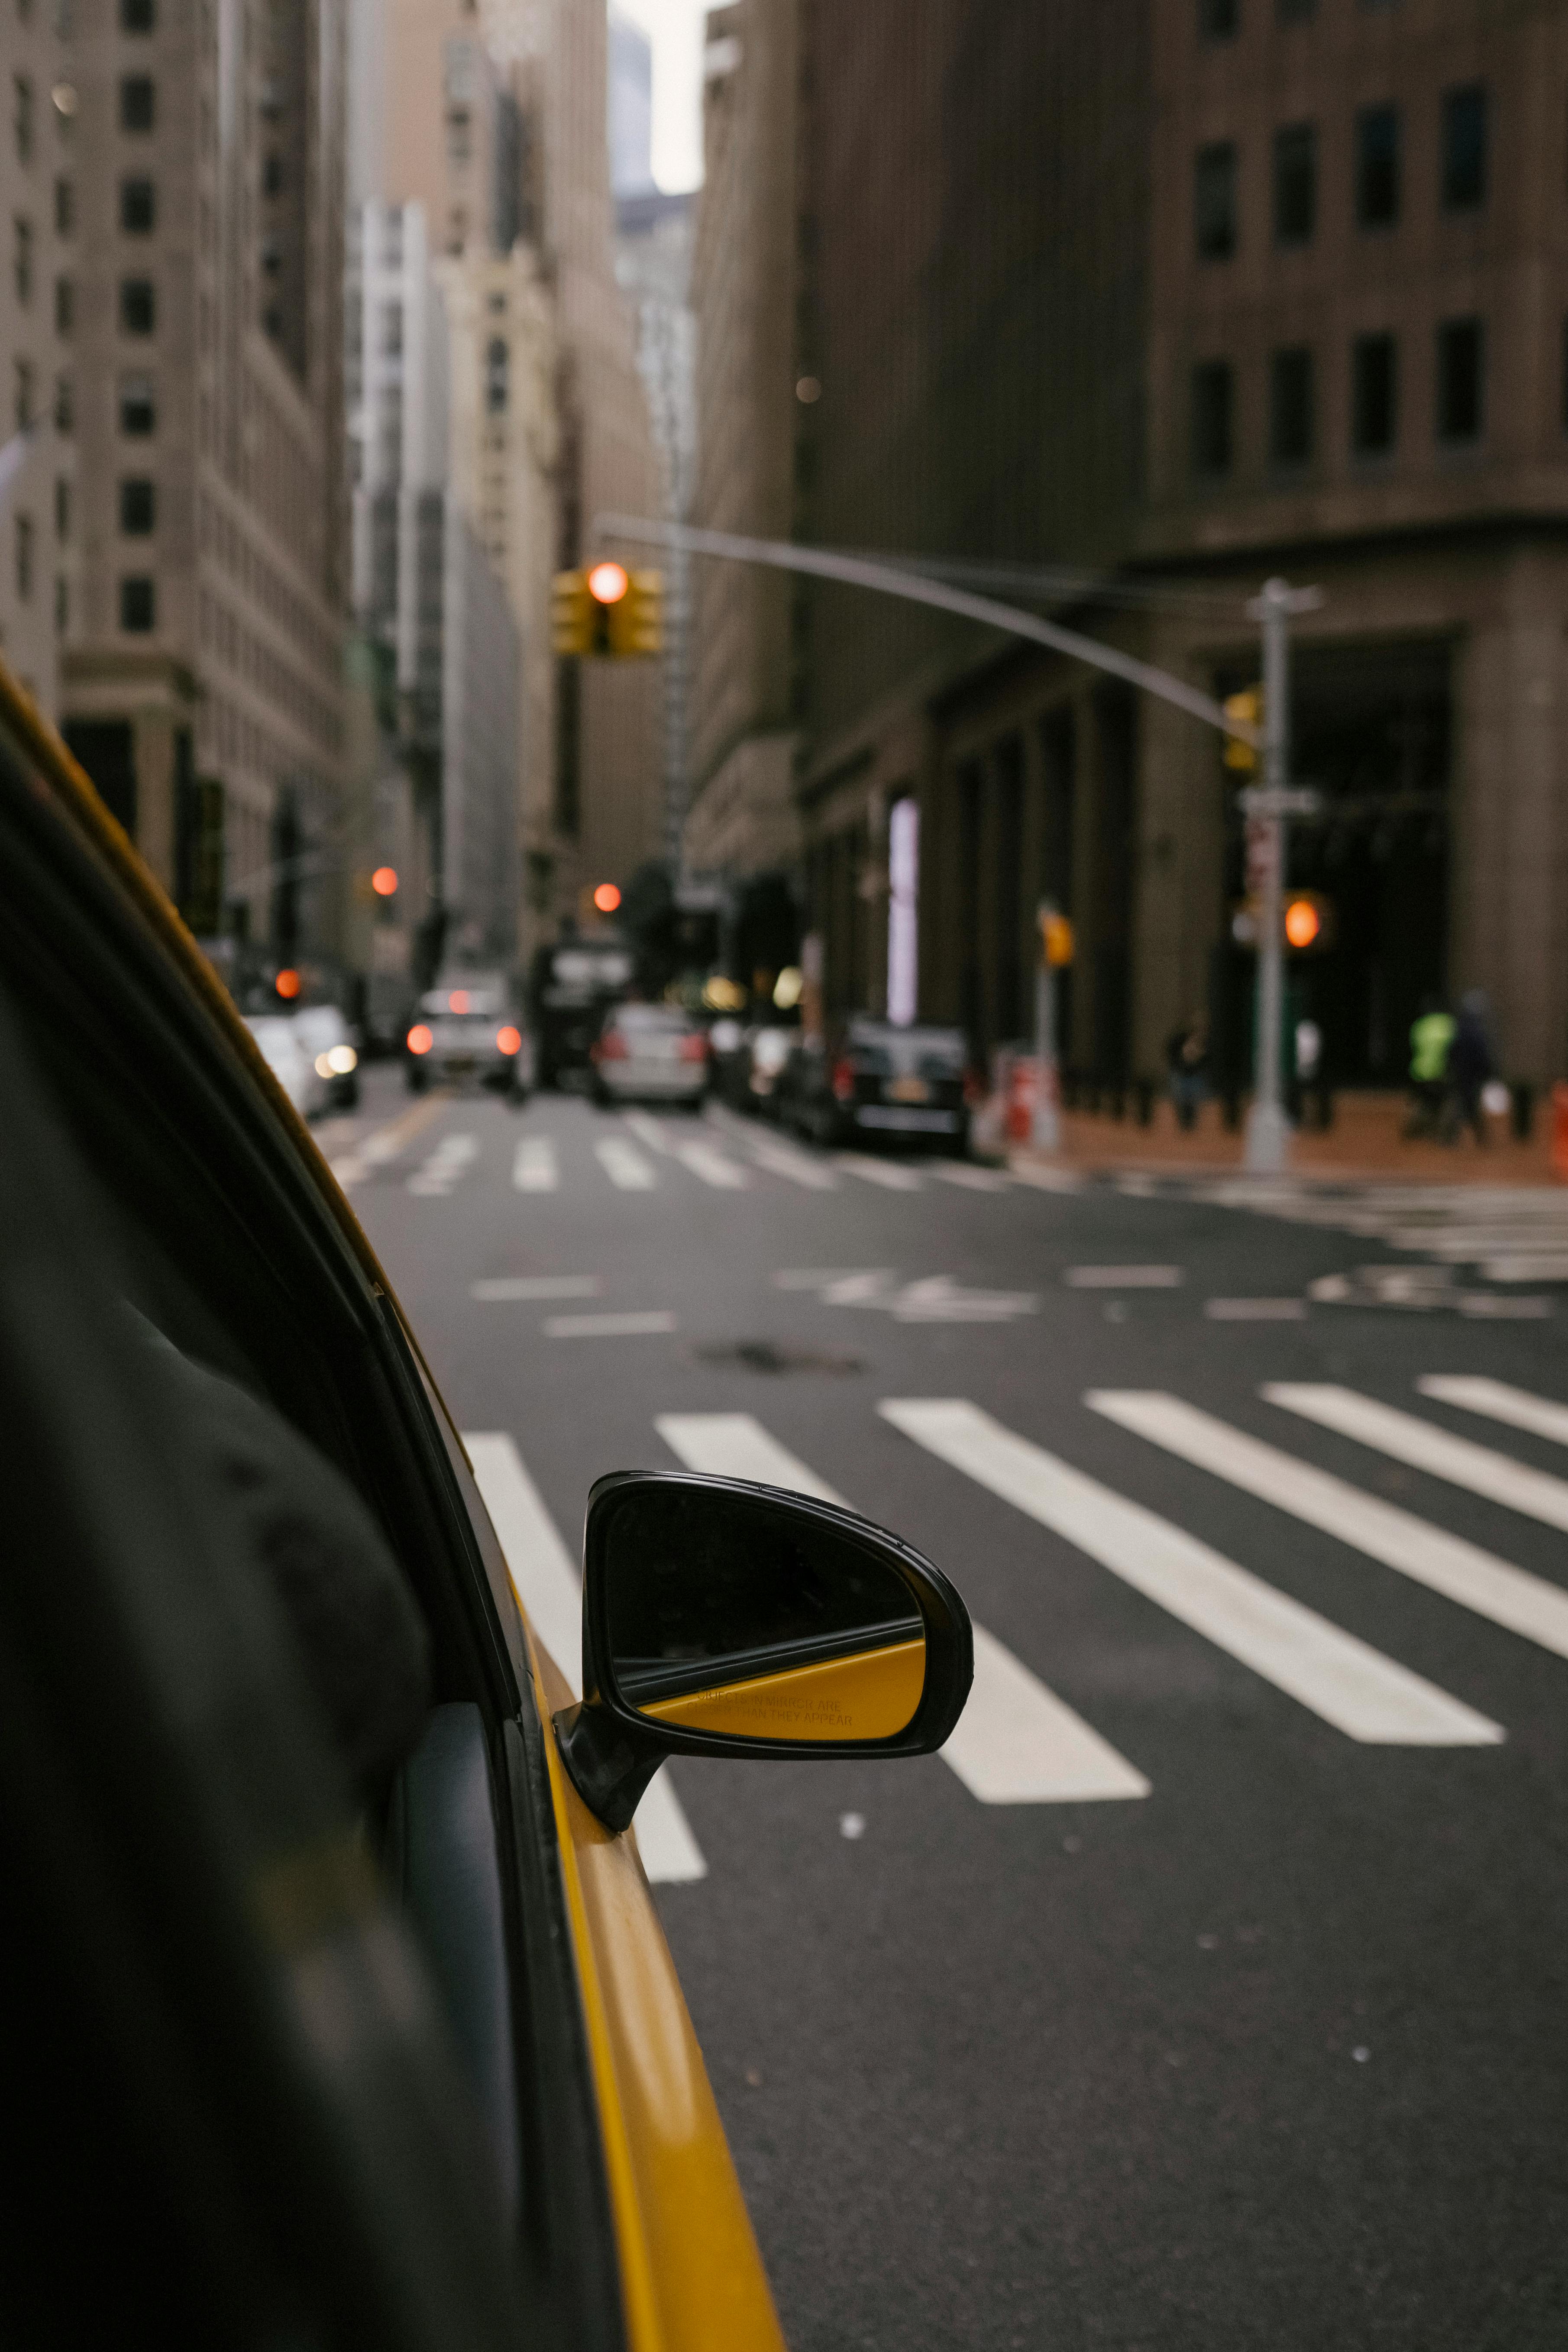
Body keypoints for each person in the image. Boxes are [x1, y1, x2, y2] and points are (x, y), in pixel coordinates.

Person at [1442, 989, 1494, 1146]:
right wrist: (1488, 1072)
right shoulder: (1477, 1031)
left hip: (1460, 1073)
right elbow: (1482, 1054)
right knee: (1468, 1105)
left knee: (1462, 1104)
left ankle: (1453, 1138)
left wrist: (1450, 1068)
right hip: (1472, 1075)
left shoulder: (1458, 1028)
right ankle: (1478, 1139)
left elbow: (1451, 1051)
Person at [1406, 996, 1454, 1139]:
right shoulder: (1449, 1024)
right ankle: (1439, 1134)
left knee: (1423, 1101)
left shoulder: (1420, 1025)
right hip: (1440, 1073)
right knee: (1444, 1103)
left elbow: (1413, 1048)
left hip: (1419, 1072)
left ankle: (1415, 1131)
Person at [1165, 1013, 1209, 1132]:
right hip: (1181, 1074)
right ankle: (1183, 1125)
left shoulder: (1201, 1040)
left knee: (1193, 1102)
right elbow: (1170, 1054)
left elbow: (1206, 1058)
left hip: (1194, 1074)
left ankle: (1191, 1125)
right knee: (1181, 1101)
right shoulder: (1178, 1039)